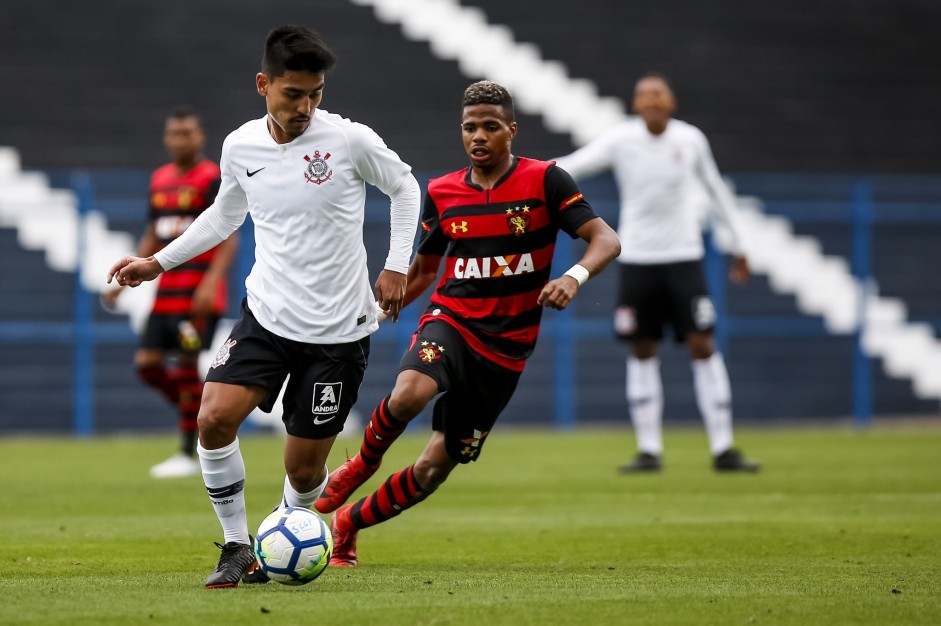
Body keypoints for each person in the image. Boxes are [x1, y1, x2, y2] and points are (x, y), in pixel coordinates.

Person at [106, 24, 421, 587]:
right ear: (263, 85)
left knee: (303, 468)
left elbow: (405, 187)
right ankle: (235, 547)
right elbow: (224, 216)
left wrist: (397, 264)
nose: (305, 106)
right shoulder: (239, 145)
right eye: (293, 93)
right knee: (213, 418)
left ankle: (283, 534)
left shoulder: (349, 140)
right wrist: (158, 263)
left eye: (315, 93)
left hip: (338, 332)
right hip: (267, 317)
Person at [307, 80, 621, 569]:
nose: (479, 136)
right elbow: (426, 272)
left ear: (511, 131)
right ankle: (361, 464)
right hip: (451, 320)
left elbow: (605, 240)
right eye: (470, 127)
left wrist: (574, 276)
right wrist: (366, 315)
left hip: (507, 349)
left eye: (490, 127)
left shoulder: (546, 181)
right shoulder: (443, 192)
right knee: (411, 391)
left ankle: (349, 523)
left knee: (434, 467)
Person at [554, 72, 759, 473]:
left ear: (671, 102)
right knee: (642, 346)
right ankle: (649, 449)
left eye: (657, 93)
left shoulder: (690, 139)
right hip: (638, 260)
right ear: (635, 104)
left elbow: (716, 188)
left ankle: (723, 447)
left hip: (684, 257)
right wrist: (523, 174)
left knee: (702, 343)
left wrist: (740, 244)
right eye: (643, 94)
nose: (650, 100)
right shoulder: (621, 139)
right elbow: (574, 165)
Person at [103, 106, 237, 479]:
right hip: (166, 294)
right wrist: (128, 274)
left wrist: (212, 282)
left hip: (196, 294)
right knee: (147, 366)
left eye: (187, 133)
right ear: (166, 139)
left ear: (200, 137)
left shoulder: (212, 177)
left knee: (186, 366)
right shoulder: (160, 179)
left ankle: (186, 451)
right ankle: (195, 415)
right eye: (174, 134)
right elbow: (154, 232)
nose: (180, 140)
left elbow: (227, 233)